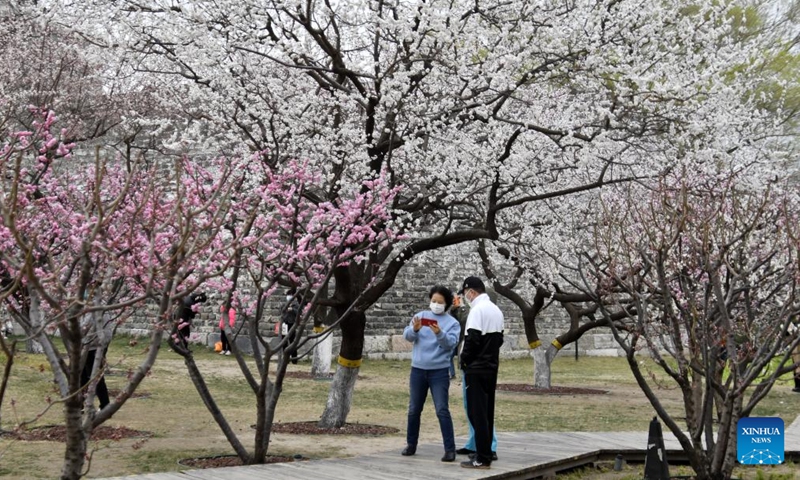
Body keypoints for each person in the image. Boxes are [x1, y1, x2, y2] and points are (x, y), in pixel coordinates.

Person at [401, 285, 461, 462]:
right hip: (418, 370)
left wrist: (439, 333)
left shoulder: (452, 323)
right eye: (433, 301)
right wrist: (415, 329)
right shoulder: (420, 316)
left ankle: (450, 449)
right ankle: (411, 445)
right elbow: (407, 336)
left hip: (439, 372)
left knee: (442, 409)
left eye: (440, 302)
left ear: (447, 304)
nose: (435, 305)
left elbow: (450, 344)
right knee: (413, 409)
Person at [458, 276, 504, 469]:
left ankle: (482, 457)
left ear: (471, 291)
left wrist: (464, 361)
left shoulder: (477, 310)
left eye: (466, 293)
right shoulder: (496, 310)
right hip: (491, 367)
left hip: (476, 369)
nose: (466, 297)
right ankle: (484, 451)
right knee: (487, 412)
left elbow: (472, 340)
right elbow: (499, 339)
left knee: (477, 412)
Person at [81, 311, 113, 410]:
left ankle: (105, 404)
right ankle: (79, 404)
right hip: (94, 346)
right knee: (83, 376)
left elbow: (84, 328)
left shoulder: (95, 311)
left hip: (93, 347)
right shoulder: (103, 309)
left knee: (95, 377)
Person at [281, 289, 301, 364]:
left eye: (290, 295)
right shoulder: (284, 303)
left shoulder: (296, 304)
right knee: (284, 342)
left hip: (292, 324)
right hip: (284, 324)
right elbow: (281, 311)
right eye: (288, 295)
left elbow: (299, 312)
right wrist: (286, 308)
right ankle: (285, 359)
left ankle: (294, 359)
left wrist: (292, 309)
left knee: (292, 341)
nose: (288, 297)